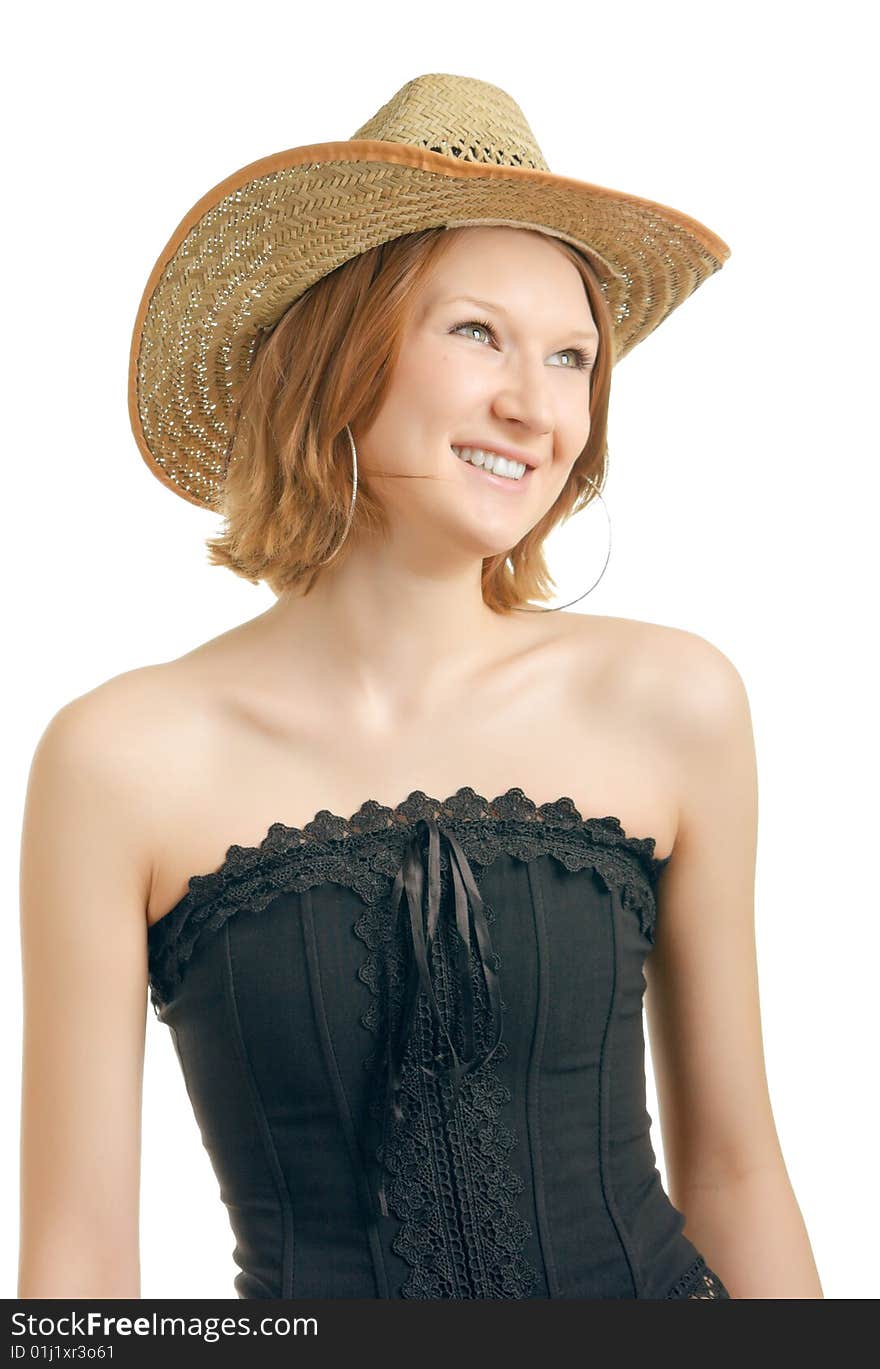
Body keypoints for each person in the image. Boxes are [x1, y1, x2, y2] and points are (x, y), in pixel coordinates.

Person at [18, 72, 823, 1299]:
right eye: (475, 333)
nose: (535, 406)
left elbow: (736, 1169)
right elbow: (77, 1258)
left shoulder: (672, 702)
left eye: (570, 357)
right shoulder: (120, 758)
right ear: (338, 349)